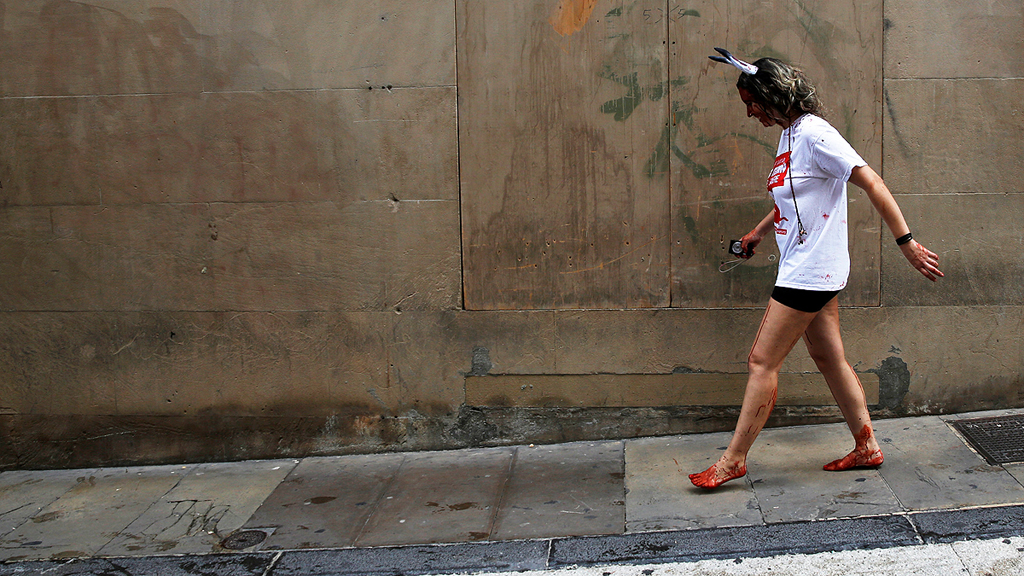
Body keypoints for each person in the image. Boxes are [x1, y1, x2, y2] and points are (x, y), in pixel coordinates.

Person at [690, 49, 943, 490]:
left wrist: (906, 243)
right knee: (829, 358)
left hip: (808, 272)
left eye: (752, 103)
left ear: (772, 96)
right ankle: (867, 446)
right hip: (809, 267)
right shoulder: (789, 136)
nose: (749, 113)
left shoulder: (815, 134)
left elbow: (871, 181)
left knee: (761, 361)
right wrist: (758, 232)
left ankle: (733, 460)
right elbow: (795, 196)